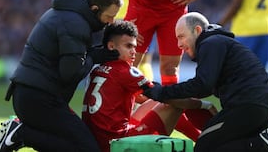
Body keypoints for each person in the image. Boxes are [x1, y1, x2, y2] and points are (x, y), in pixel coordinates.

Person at [90, 0, 230, 141]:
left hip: (172, 12)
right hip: (140, 13)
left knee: (169, 71)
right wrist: (108, 21)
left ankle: (193, 136)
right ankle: (124, 125)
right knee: (124, 68)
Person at [0, 0, 123, 152]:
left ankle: (20, 134)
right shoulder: (76, 24)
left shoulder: (67, 14)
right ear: (95, 9)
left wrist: (92, 54)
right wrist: (94, 57)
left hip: (30, 95)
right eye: (109, 16)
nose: (111, 22)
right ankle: (21, 134)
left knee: (74, 143)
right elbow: (70, 73)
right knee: (86, 148)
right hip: (38, 99)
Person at [143, 12, 268, 151]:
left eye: (181, 36)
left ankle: (262, 145)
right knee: (221, 144)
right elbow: (204, 87)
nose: (179, 45)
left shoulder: (210, 43)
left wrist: (162, 92)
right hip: (257, 107)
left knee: (205, 145)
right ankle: (260, 142)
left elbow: (202, 85)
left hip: (247, 107)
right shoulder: (218, 42)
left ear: (197, 30)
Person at [82, 20, 217, 152]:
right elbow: (166, 98)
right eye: (128, 46)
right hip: (118, 142)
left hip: (97, 141)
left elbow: (143, 98)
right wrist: (204, 105)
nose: (134, 51)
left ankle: (202, 141)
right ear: (111, 46)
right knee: (171, 103)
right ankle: (204, 144)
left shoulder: (97, 69)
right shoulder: (125, 71)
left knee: (157, 101)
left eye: (135, 47)